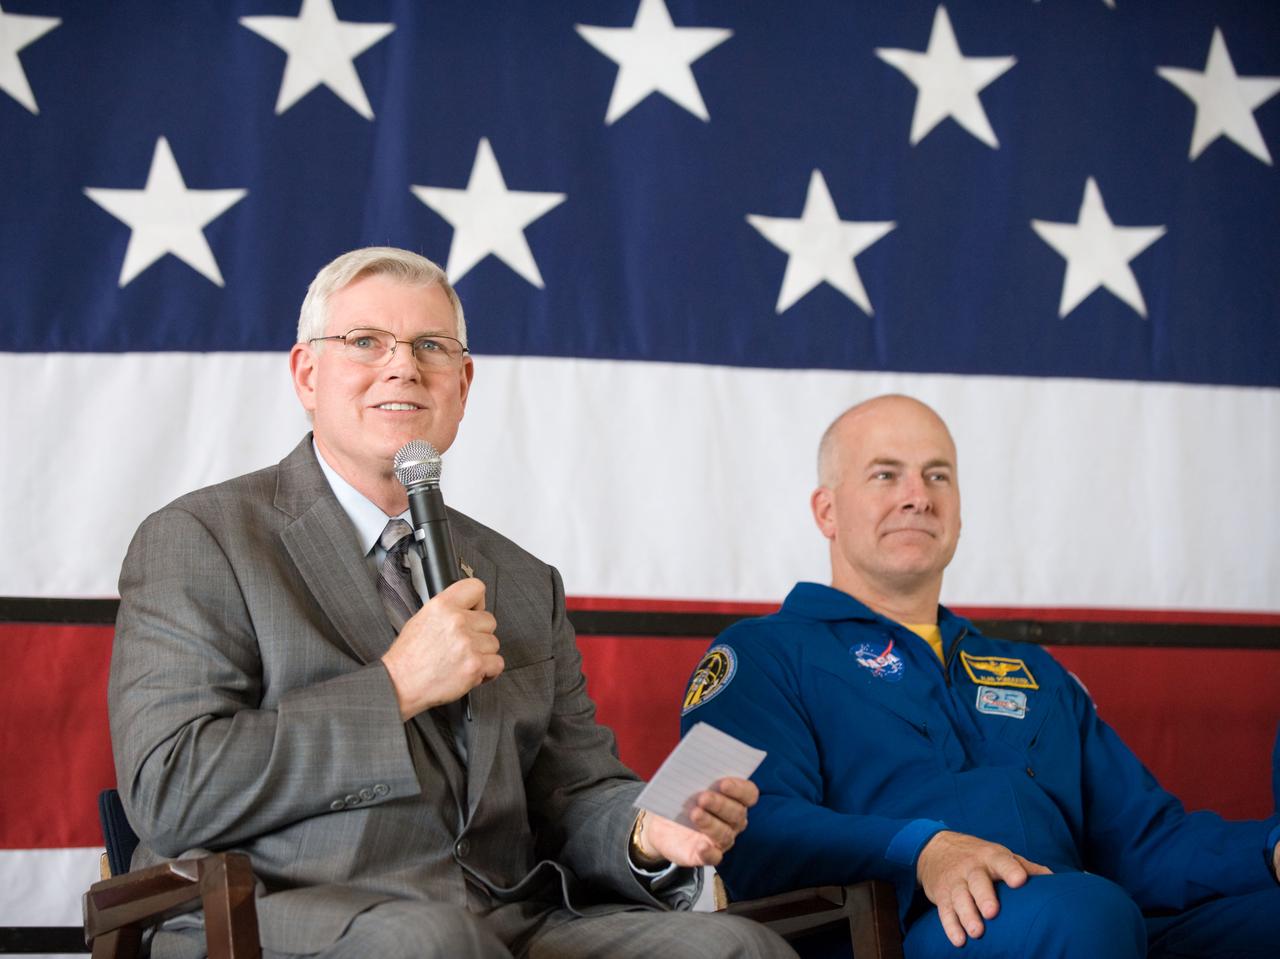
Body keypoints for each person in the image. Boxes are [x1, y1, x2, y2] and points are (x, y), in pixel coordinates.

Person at [110, 247, 793, 959]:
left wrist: (645, 834)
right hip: (286, 917)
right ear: (307, 374)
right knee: (430, 943)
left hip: (506, 922)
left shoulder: (522, 578)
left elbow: (573, 792)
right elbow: (172, 787)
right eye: (365, 341)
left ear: (461, 385)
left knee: (740, 948)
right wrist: (396, 686)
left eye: (430, 346)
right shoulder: (202, 539)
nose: (403, 365)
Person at [680, 394, 1280, 959]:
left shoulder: (1034, 671)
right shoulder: (753, 653)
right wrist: (919, 850)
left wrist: (1269, 852)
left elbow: (1147, 845)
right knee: (1088, 912)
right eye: (886, 475)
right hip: (902, 931)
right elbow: (727, 829)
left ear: (961, 512)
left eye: (938, 475)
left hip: (1088, 918)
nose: (918, 496)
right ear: (827, 510)